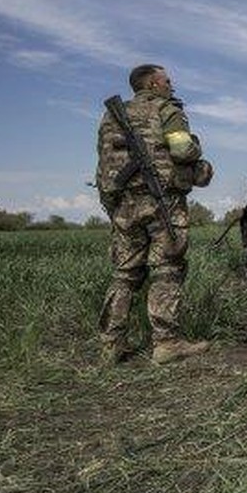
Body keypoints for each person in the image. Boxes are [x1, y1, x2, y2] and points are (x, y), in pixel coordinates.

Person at [95, 64, 214, 365]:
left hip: (124, 204)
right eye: (167, 80)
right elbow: (183, 151)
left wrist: (114, 205)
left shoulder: (111, 116)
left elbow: (104, 163)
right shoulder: (167, 109)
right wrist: (198, 151)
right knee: (167, 269)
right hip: (162, 202)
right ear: (152, 83)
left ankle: (110, 345)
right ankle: (166, 344)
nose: (172, 85)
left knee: (124, 274)